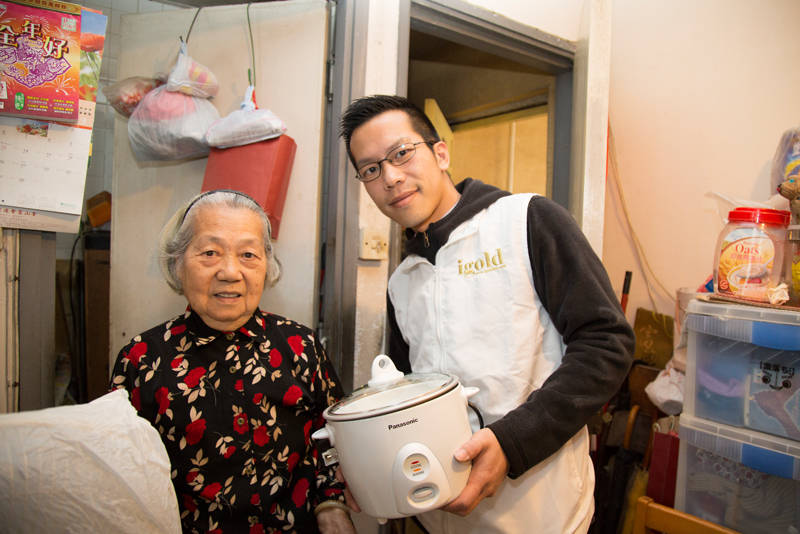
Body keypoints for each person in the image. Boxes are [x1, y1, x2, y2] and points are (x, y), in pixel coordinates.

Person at [339, 95, 635, 534]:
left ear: (440, 153)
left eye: (401, 153)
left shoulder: (527, 221)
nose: (391, 177)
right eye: (370, 169)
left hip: (543, 515)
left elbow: (607, 343)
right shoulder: (402, 280)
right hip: (440, 518)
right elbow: (406, 395)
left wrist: (511, 443)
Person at [110, 190, 356, 534]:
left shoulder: (301, 346)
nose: (230, 271)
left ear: (267, 266)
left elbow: (334, 439)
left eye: (248, 255)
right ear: (178, 263)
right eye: (210, 253)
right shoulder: (141, 360)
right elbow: (123, 474)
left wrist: (332, 505)